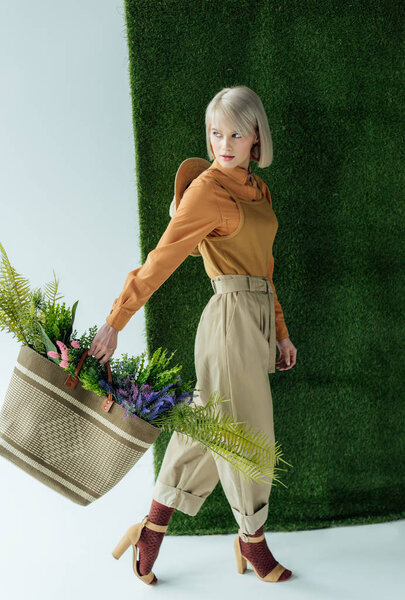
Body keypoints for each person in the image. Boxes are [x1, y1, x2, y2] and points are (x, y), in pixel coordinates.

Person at [89, 85, 297, 585]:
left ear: (255, 138)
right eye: (215, 132)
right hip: (227, 320)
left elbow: (265, 270)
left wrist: (281, 334)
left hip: (255, 321)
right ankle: (253, 541)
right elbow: (160, 260)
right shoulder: (207, 190)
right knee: (248, 433)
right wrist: (116, 320)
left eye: (235, 133)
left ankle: (151, 531)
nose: (223, 143)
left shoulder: (258, 191)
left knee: (207, 428)